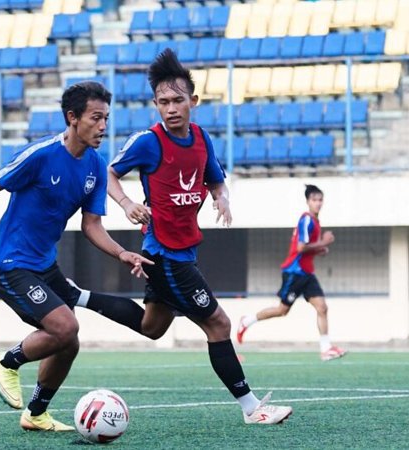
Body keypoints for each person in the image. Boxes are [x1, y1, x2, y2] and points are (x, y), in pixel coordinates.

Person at [75, 48, 292, 424]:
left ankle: (75, 294)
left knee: (152, 327)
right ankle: (252, 409)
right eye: (163, 102)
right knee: (219, 324)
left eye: (177, 100)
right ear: (155, 105)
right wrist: (127, 203)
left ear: (193, 100)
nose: (171, 108)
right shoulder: (148, 142)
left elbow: (216, 181)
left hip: (184, 250)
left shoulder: (202, 139)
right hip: (166, 255)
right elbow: (109, 173)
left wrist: (221, 199)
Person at [0, 81, 153, 432]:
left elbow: (91, 225)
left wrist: (121, 253)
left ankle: (36, 414)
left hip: (44, 265)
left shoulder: (95, 166)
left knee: (68, 343)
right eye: (96, 118)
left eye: (106, 119)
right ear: (72, 117)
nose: (103, 127)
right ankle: (7, 361)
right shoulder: (42, 155)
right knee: (66, 326)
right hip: (9, 263)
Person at [237, 184, 346, 362]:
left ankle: (326, 349)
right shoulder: (307, 219)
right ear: (308, 202)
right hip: (294, 272)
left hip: (307, 273)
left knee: (322, 308)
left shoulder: (316, 222)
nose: (318, 203)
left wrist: (320, 249)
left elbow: (307, 248)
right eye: (314, 200)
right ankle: (247, 321)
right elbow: (300, 247)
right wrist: (323, 242)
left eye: (320, 200)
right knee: (281, 310)